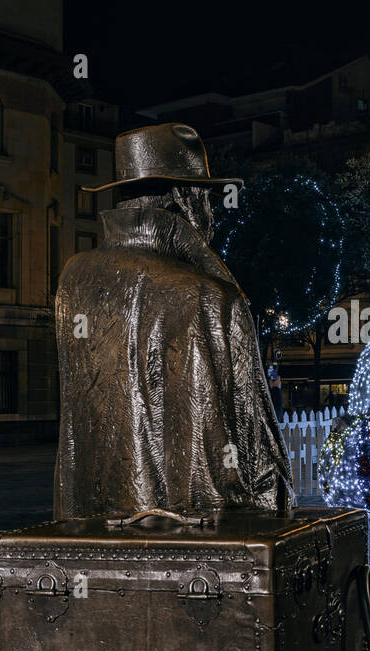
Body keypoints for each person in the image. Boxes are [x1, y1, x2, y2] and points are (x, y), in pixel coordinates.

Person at [53, 123, 294, 519]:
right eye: (206, 196)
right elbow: (259, 471)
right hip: (200, 545)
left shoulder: (73, 279)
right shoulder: (212, 297)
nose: (212, 211)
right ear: (186, 197)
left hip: (89, 533)